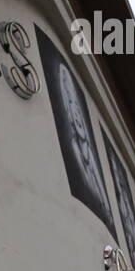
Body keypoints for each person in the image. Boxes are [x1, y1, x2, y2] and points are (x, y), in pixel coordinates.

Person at [56, 62, 111, 222]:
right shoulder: (75, 147)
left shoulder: (90, 153)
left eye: (78, 111)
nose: (77, 116)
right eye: (71, 107)